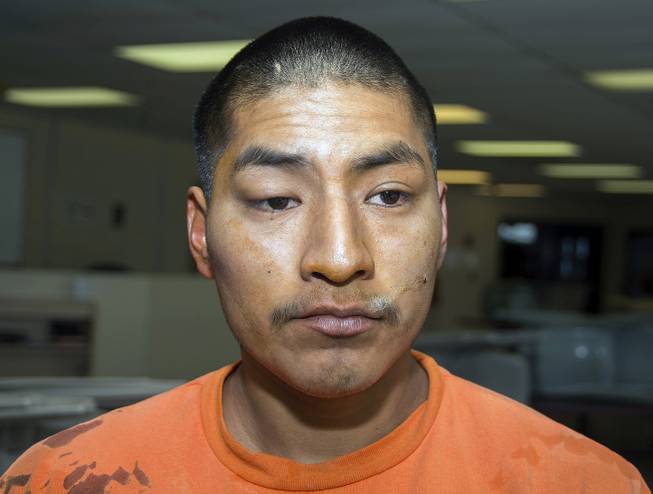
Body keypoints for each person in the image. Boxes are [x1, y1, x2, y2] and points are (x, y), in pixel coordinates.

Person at [1, 16, 649, 494]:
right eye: (276, 200)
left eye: (388, 196)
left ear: (441, 225)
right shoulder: (69, 479)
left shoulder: (578, 482)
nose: (339, 259)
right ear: (200, 235)